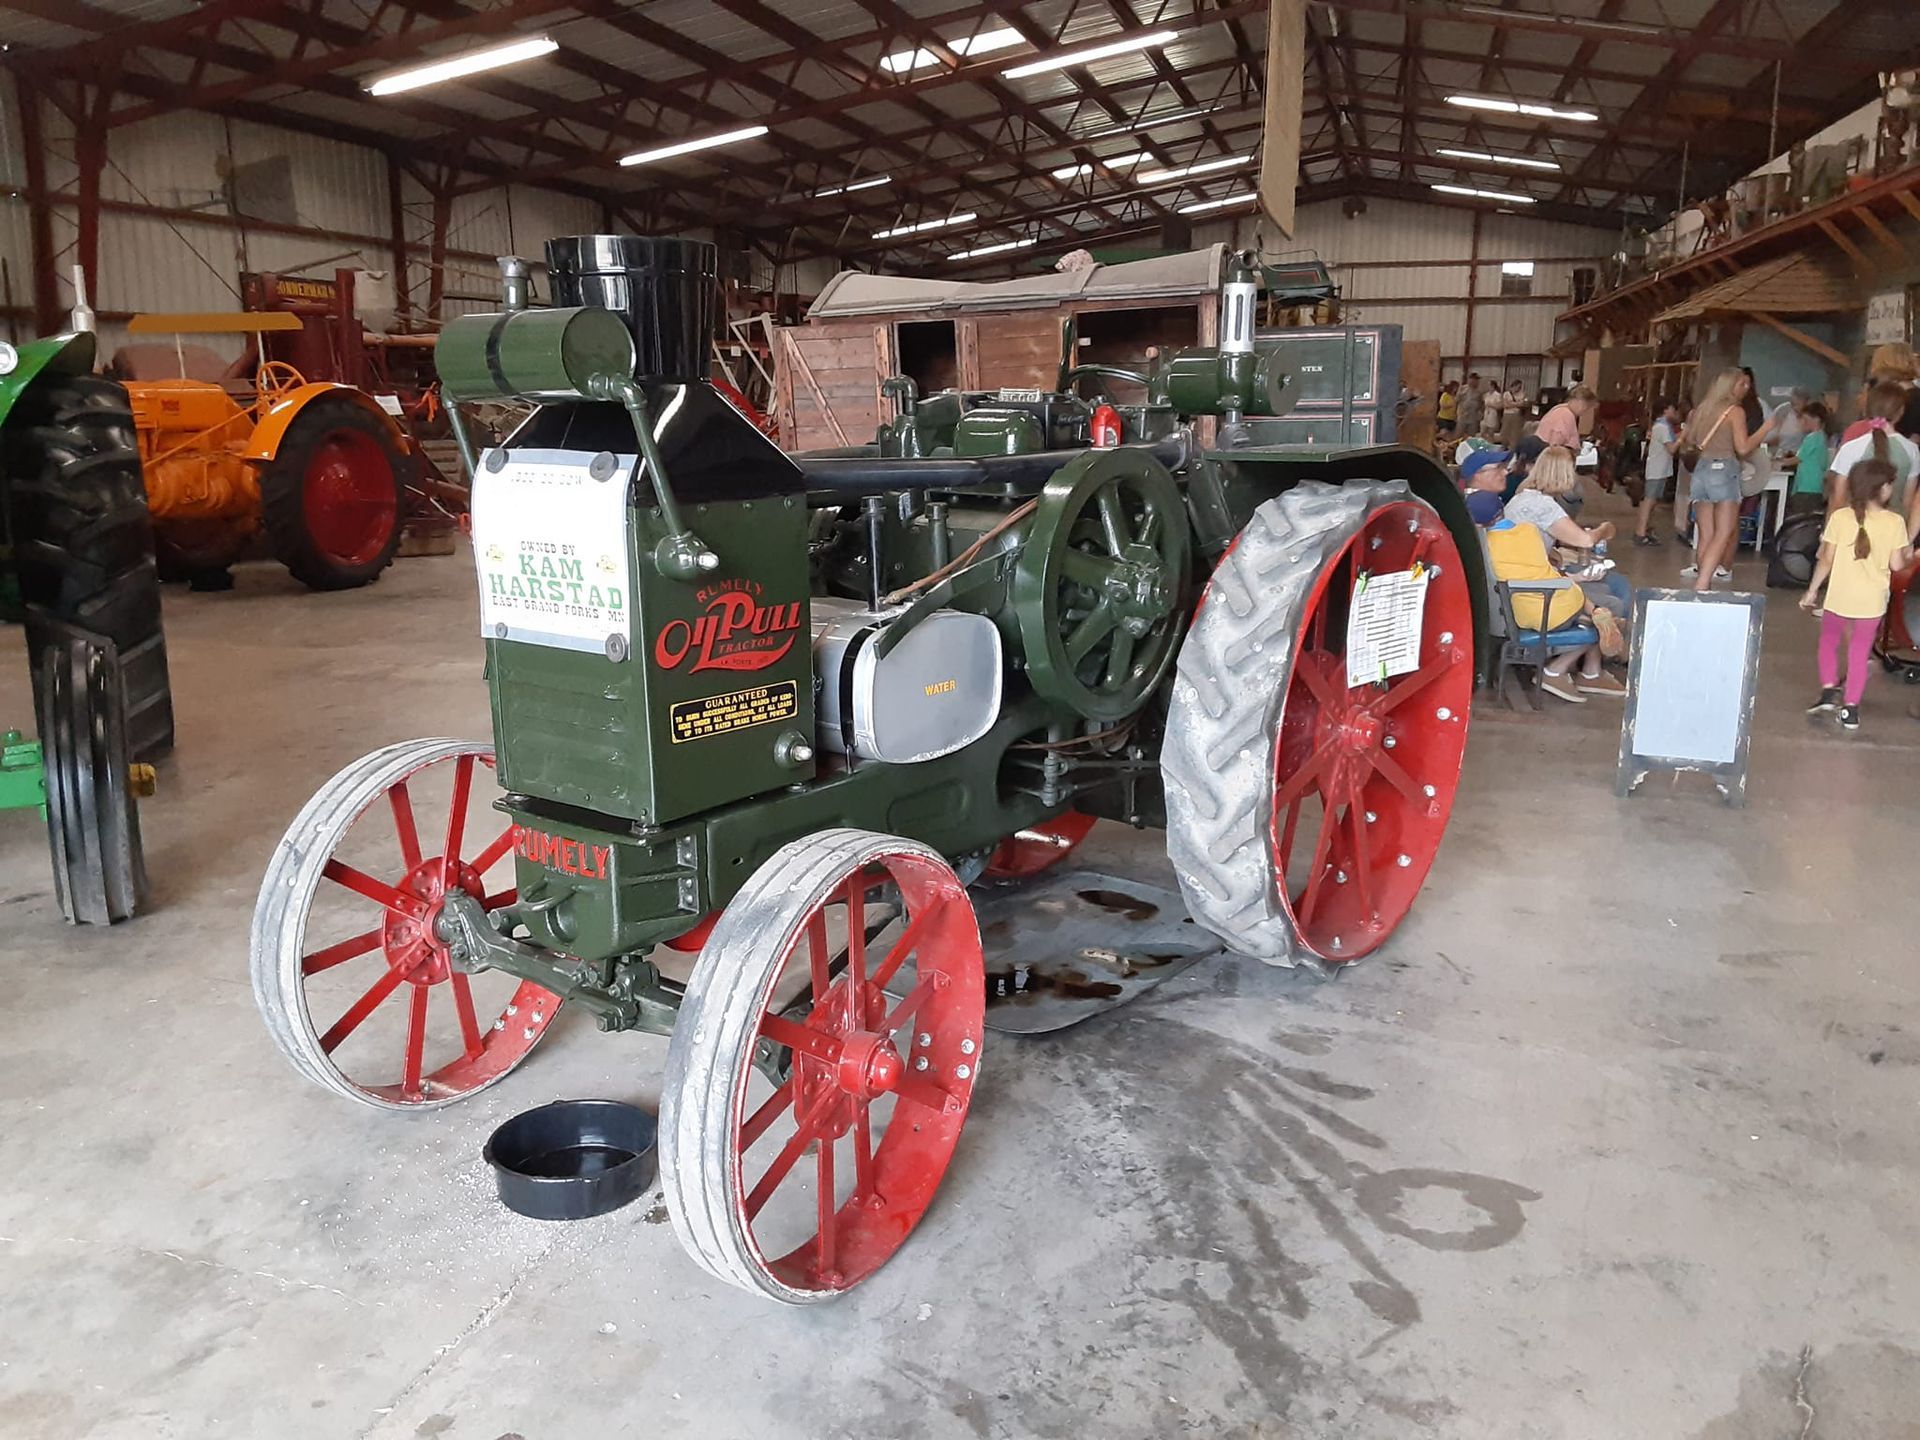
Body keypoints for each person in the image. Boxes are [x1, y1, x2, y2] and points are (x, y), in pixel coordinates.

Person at [1802, 457, 1913, 730]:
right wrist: (1911, 555)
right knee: (1859, 652)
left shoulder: (1840, 517)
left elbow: (1825, 559)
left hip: (1839, 598)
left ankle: (1828, 689)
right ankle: (1850, 708)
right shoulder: (1895, 522)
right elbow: (1897, 565)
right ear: (1883, 488)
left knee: (1828, 642)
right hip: (1872, 602)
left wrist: (1811, 591)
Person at [1484, 515, 1623, 702]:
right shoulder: (1527, 532)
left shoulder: (1485, 544)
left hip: (1513, 610)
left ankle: (1592, 671)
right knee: (1598, 619)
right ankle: (1556, 670)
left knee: (1594, 613)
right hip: (1543, 613)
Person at [1504, 444, 1633, 621]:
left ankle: (1591, 639)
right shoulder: (1543, 506)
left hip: (1525, 581)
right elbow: (1585, 541)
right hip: (1537, 589)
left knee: (1605, 589)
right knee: (1617, 599)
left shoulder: (1522, 498)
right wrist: (1604, 529)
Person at [1684, 367, 1776, 590]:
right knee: (1724, 532)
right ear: (1730, 386)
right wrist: (1766, 429)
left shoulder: (1701, 410)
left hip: (1701, 470)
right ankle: (1703, 582)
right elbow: (1743, 448)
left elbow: (1690, 440)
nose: (1747, 388)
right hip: (1724, 470)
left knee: (1705, 533)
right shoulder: (1735, 412)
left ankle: (1701, 577)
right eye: (1742, 384)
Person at [1827, 383, 1920, 518]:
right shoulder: (1911, 451)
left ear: (1868, 409)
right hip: (1892, 532)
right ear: (1901, 412)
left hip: (1854, 530)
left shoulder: (1851, 448)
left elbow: (1838, 499)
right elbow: (1907, 502)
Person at [1636, 399, 1684, 545]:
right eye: (1672, 409)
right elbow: (1672, 448)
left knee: (1653, 500)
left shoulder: (1663, 426)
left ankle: (1646, 528)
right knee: (1649, 500)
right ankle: (1641, 531)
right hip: (1657, 469)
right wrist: (1683, 436)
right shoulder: (1662, 427)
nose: (1675, 413)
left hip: (1660, 468)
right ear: (1665, 410)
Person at [1787, 401, 1832, 518]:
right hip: (1815, 487)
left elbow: (1798, 459)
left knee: (1800, 517)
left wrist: (1776, 463)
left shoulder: (1813, 438)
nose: (1802, 423)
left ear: (1816, 420)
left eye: (1805, 420)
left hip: (1807, 487)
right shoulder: (1821, 437)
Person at [1536, 384, 1597, 451]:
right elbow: (1554, 445)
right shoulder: (1565, 414)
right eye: (1587, 407)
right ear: (1581, 402)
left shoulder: (1562, 410)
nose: (1586, 411)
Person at [1460, 448, 1510, 524]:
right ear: (1478, 475)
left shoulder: (1470, 502)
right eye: (1498, 468)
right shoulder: (1478, 507)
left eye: (1503, 466)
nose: (1505, 472)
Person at [1500, 379, 1528, 450]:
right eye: (1517, 386)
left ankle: (1513, 447)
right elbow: (1505, 405)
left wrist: (1511, 403)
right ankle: (1504, 445)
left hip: (1517, 415)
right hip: (1507, 414)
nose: (1518, 388)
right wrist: (1516, 404)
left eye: (1520, 387)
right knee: (1505, 431)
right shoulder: (1506, 394)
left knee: (1515, 432)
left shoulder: (1522, 394)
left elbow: (1523, 404)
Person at [1456, 374, 1485, 439]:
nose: (1477, 382)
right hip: (1462, 416)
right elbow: (1457, 400)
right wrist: (1460, 393)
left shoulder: (1479, 392)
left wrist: (1481, 413)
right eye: (1475, 380)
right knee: (1459, 434)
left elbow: (1482, 404)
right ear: (1470, 380)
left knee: (1471, 436)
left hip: (1473, 417)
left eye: (1477, 380)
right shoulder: (1463, 388)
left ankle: (1469, 448)